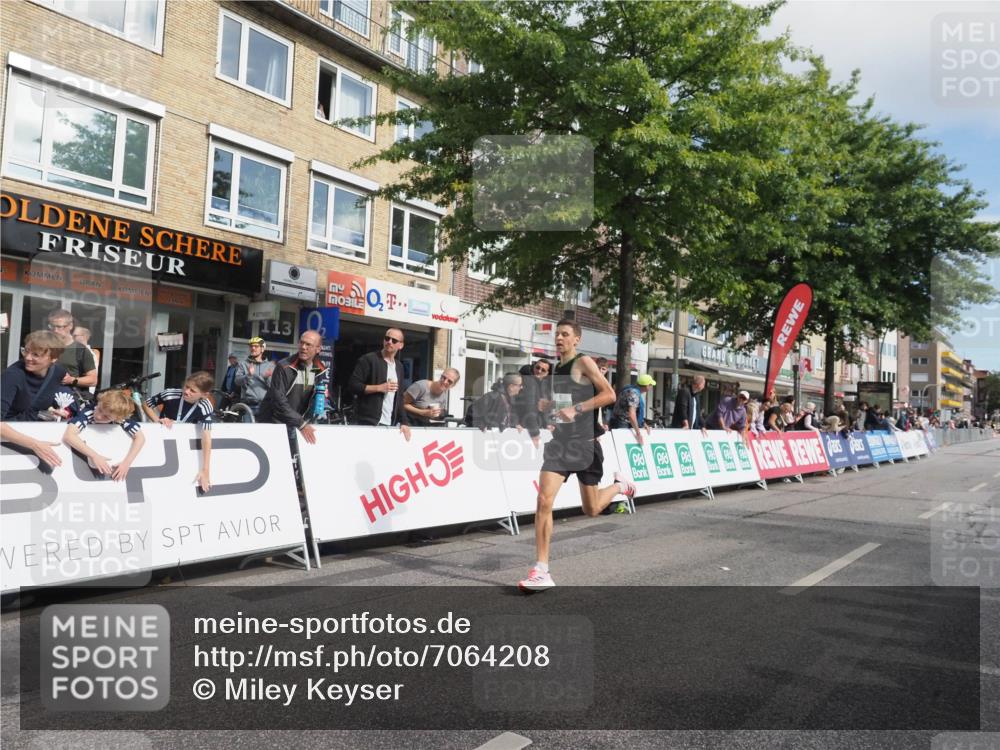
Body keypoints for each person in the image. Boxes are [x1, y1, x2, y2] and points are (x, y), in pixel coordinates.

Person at [518, 319, 636, 593]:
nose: (559, 338)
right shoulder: (558, 368)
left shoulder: (584, 363)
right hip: (561, 443)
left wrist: (577, 409)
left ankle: (620, 485)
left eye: (565, 334)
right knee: (543, 499)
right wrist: (553, 408)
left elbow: (609, 394)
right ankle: (542, 569)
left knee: (591, 509)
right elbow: (566, 404)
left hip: (585, 444)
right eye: (557, 334)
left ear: (576, 340)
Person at [142, 371, 215, 491]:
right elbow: (146, 404)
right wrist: (157, 420)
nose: (186, 391)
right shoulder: (170, 394)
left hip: (183, 447)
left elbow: (206, 437)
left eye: (193, 391)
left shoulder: (206, 406)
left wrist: (205, 470)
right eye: (186, 386)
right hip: (161, 441)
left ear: (204, 395)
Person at [259, 330, 330, 446]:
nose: (303, 347)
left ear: (318, 349)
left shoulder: (319, 368)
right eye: (301, 343)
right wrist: (301, 423)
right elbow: (278, 401)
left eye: (308, 345)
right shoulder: (284, 366)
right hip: (276, 424)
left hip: (297, 425)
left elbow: (313, 397)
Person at [63, 390, 146, 482]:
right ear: (99, 402)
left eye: (106, 417)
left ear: (118, 419)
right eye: (99, 409)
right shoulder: (88, 413)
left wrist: (126, 463)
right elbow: (69, 436)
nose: (98, 416)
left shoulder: (121, 419)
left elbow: (140, 437)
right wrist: (95, 456)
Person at [347, 328, 411, 441]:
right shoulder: (368, 359)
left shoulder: (399, 366)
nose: (389, 342)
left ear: (401, 345)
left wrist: (404, 422)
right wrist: (379, 388)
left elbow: (399, 397)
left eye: (394, 340)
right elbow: (353, 385)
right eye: (387, 338)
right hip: (368, 422)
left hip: (390, 424)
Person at [1, 331, 67, 421]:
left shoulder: (58, 373)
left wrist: (52, 410)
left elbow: (37, 402)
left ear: (54, 358)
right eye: (26, 351)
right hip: (9, 429)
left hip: (34, 427)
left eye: (35, 354)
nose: (27, 357)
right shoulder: (13, 375)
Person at [46, 309, 97, 398]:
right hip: (43, 397)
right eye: (52, 326)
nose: (55, 330)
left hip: (67, 401)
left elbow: (93, 380)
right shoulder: (44, 345)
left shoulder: (81, 350)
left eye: (59, 327)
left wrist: (72, 380)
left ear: (70, 326)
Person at [515, 358, 553, 444]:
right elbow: (529, 409)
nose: (539, 371)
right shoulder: (529, 381)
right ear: (533, 367)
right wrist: (535, 433)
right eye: (537, 367)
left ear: (546, 373)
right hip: (524, 428)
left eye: (543, 370)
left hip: (532, 427)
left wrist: (547, 424)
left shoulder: (543, 386)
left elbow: (544, 409)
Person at [608, 373, 655, 445]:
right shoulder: (634, 394)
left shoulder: (631, 390)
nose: (652, 387)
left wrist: (643, 423)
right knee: (622, 446)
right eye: (651, 385)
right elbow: (631, 415)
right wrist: (638, 433)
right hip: (622, 424)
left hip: (619, 421)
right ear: (647, 386)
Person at [234, 337, 275, 417]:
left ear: (262, 349)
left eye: (256, 346)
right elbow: (237, 381)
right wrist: (248, 375)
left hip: (265, 406)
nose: (253, 348)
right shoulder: (243, 364)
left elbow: (273, 387)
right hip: (248, 405)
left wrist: (267, 378)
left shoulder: (270, 365)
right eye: (251, 346)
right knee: (247, 429)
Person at [71, 326, 99, 394]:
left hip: (82, 393)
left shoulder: (87, 353)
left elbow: (90, 379)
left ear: (83, 336)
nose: (71, 337)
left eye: (74, 335)